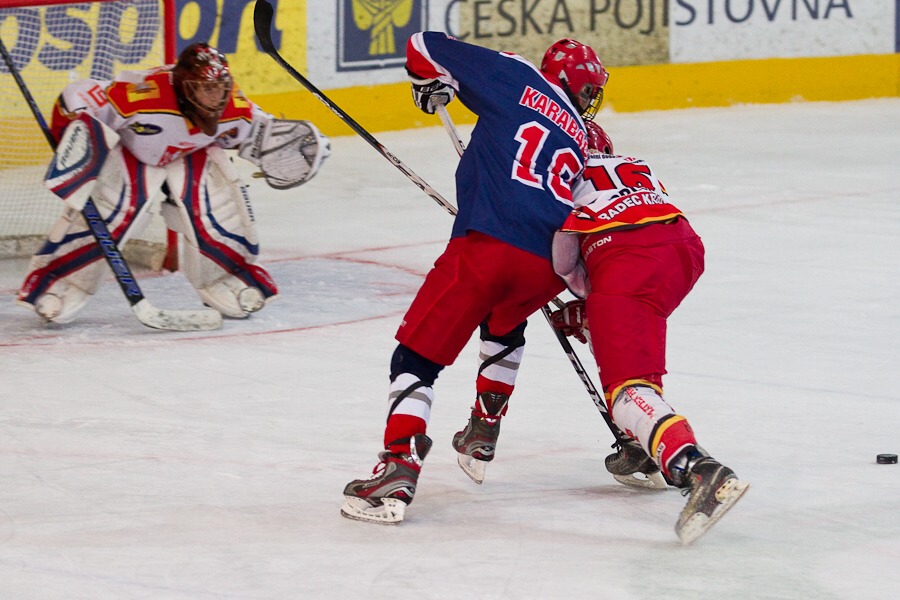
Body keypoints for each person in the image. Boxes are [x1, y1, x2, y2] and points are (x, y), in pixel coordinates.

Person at [341, 35, 608, 525]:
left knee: (415, 358)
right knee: (505, 321)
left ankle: (398, 465)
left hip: (488, 245)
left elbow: (422, 44)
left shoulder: (518, 75)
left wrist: (428, 82)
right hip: (548, 263)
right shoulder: (584, 135)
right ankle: (484, 428)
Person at [17, 42, 329, 323]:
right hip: (134, 153)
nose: (217, 97)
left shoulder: (234, 106)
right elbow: (80, 95)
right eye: (207, 89)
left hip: (192, 154)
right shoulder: (140, 96)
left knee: (219, 208)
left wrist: (297, 146)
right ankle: (61, 282)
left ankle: (228, 277)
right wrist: (75, 124)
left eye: (220, 88)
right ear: (184, 88)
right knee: (112, 211)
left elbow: (259, 134)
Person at [548, 137, 750, 544]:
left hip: (626, 260)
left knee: (627, 391)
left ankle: (697, 469)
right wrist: (594, 312)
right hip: (683, 249)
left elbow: (564, 261)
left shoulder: (560, 174)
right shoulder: (631, 163)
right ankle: (640, 442)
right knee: (627, 336)